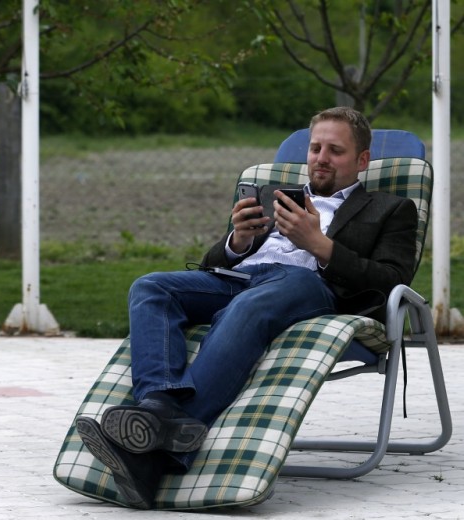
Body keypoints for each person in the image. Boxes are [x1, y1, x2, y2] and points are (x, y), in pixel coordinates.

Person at [75, 107, 419, 509]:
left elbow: (392, 279)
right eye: (315, 148)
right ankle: (158, 410)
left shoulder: (391, 209)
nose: (321, 158)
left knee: (254, 303)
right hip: (239, 279)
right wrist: (237, 241)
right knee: (151, 287)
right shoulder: (275, 197)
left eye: (335, 151)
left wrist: (319, 245)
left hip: (309, 286)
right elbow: (212, 265)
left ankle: (155, 437)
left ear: (362, 161)